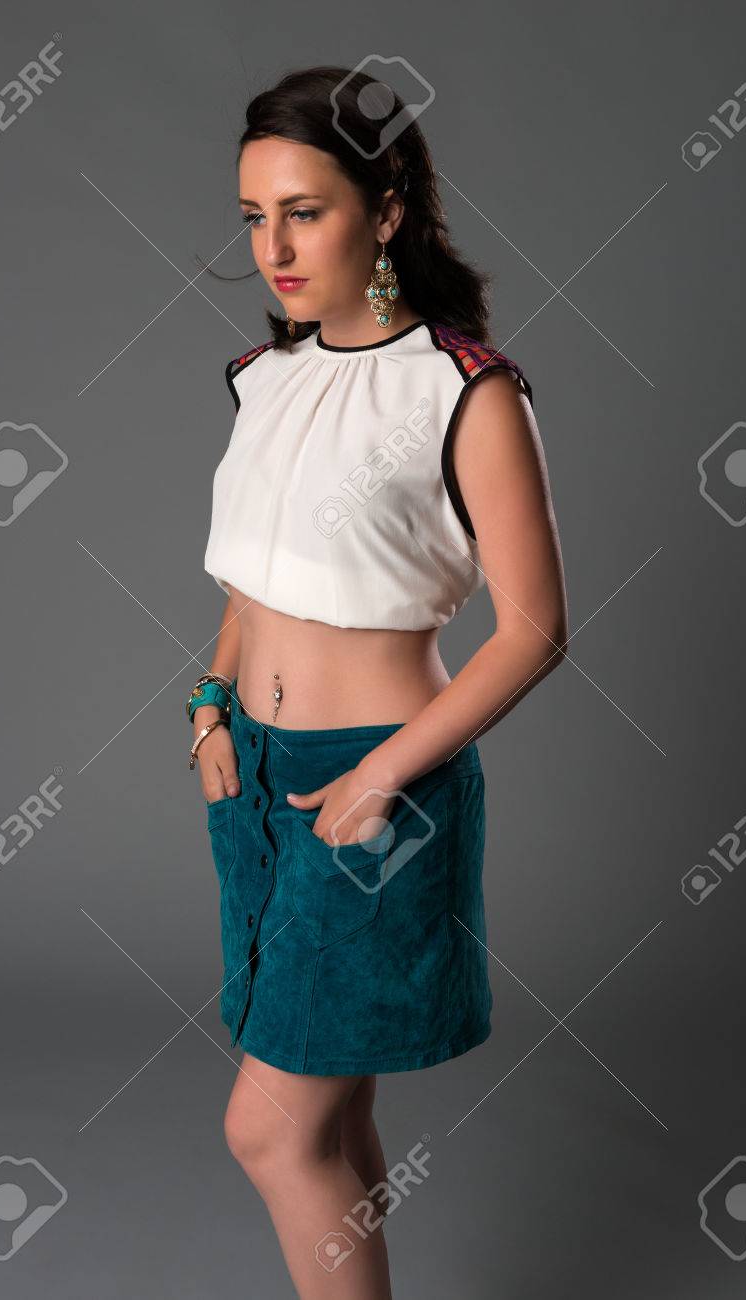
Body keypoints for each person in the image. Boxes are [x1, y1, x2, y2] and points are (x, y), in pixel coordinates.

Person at [190, 65, 568, 1299]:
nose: (273, 248)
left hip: (376, 792)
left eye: (304, 212)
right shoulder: (265, 377)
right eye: (254, 217)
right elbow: (255, 581)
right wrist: (210, 701)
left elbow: (535, 630)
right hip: (256, 781)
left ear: (387, 208)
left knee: (270, 1128)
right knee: (332, 1116)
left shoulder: (466, 390)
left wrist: (381, 775)